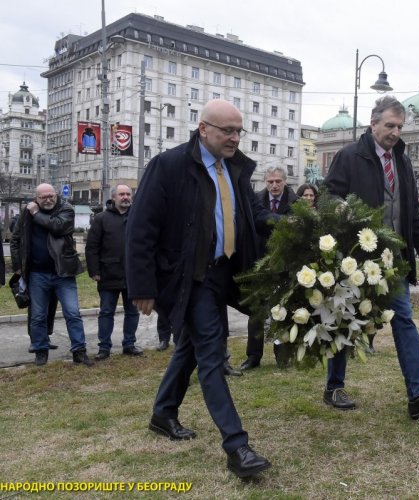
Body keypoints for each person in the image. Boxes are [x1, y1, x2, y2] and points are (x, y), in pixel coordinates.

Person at [126, 99, 273, 478]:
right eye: (227, 130)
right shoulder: (170, 165)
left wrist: (290, 224)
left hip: (226, 271)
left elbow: (251, 216)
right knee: (212, 350)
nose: (235, 138)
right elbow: (141, 229)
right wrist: (142, 285)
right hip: (189, 277)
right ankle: (237, 447)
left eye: (239, 131)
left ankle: (163, 413)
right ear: (203, 128)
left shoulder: (235, 169)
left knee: (191, 347)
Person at [323, 95, 419, 419]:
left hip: (393, 257)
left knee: (404, 320)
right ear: (374, 124)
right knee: (345, 320)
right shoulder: (349, 156)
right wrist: (339, 207)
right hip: (357, 256)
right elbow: (327, 194)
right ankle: (334, 386)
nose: (395, 132)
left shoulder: (403, 161)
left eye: (399, 126)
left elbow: (410, 207)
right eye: (389, 125)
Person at [10, 184, 92, 367]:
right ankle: (40, 351)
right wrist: (18, 266)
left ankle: (79, 352)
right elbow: (16, 239)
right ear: (36, 198)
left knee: (72, 313)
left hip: (63, 273)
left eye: (51, 196)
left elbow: (58, 227)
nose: (48, 199)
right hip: (37, 274)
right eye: (43, 197)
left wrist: (36, 214)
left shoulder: (66, 209)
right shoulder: (27, 213)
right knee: (38, 315)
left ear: (56, 195)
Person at [239, 167, 298, 371]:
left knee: (283, 310)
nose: (274, 185)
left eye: (278, 181)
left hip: (285, 264)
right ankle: (253, 356)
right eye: (270, 181)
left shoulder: (295, 203)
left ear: (285, 182)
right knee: (256, 311)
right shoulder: (256, 201)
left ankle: (283, 355)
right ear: (266, 182)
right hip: (259, 262)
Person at [85, 184, 143, 360]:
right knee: (106, 312)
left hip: (133, 275)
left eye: (128, 194)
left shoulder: (138, 217)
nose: (125, 197)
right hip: (108, 274)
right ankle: (104, 347)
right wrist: (94, 271)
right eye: (121, 194)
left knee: (132, 312)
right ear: (114, 197)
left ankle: (129, 344)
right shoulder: (101, 218)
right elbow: (92, 248)